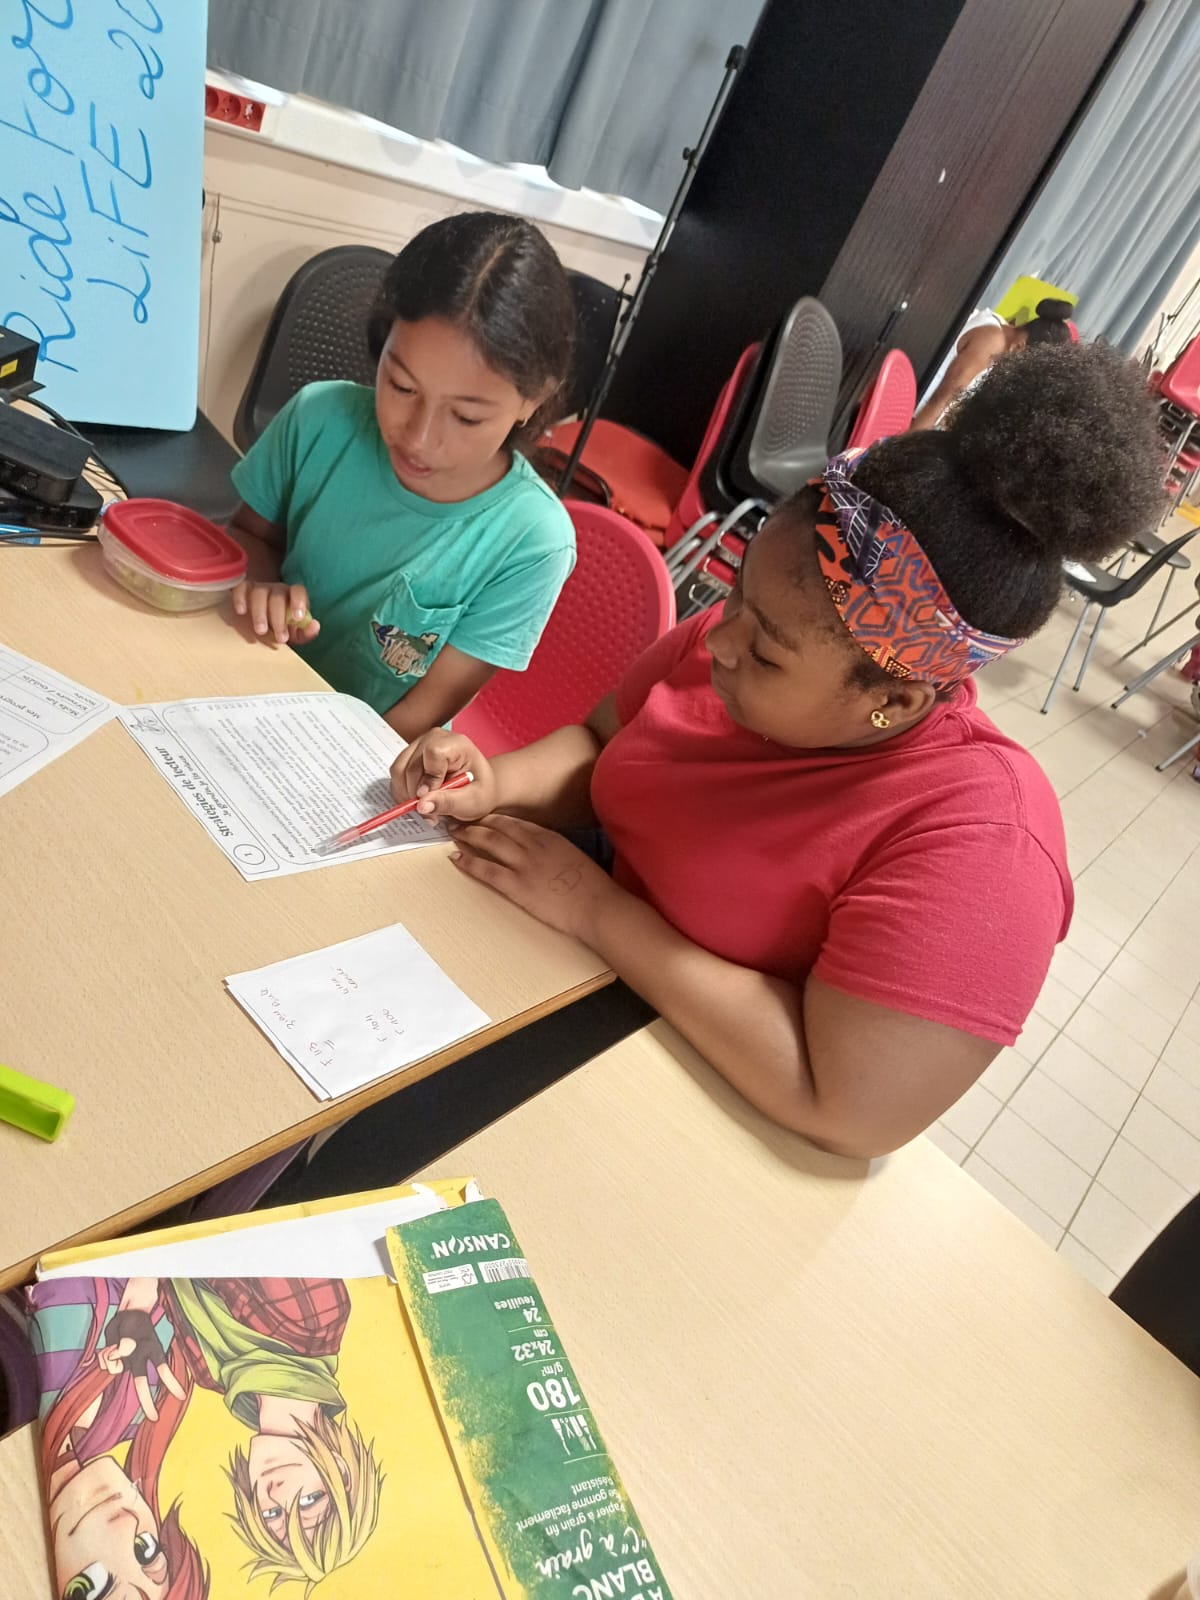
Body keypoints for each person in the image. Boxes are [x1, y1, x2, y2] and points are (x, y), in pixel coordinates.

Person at [389, 343, 1164, 1160]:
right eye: (736, 599)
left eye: (766, 652)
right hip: (568, 966)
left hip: (706, 1102)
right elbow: (602, 742)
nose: (718, 642)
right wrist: (496, 780)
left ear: (896, 701)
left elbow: (845, 1109)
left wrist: (595, 910)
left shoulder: (981, 843)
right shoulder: (737, 646)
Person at [228, 212, 577, 737]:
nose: (418, 437)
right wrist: (262, 585)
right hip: (239, 688)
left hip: (354, 751)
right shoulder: (317, 418)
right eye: (402, 386)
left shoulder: (532, 541)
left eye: (466, 417)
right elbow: (249, 536)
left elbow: (419, 714)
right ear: (382, 340)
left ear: (534, 398)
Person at [30, 1276, 209, 1600]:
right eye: (145, 1549)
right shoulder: (146, 1392)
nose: (125, 1524)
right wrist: (143, 1291)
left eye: (90, 1588)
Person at [909, 297, 1076, 431]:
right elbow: (940, 400)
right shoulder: (992, 342)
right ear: (1019, 347)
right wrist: (903, 452)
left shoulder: (999, 330)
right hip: (904, 400)